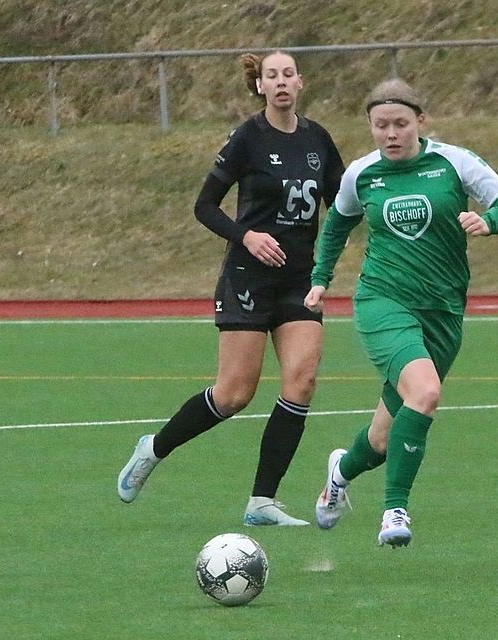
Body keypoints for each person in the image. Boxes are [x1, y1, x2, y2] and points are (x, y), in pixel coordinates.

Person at [118, 50, 345, 526]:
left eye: (287, 74)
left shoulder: (318, 139)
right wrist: (247, 235)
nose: (280, 82)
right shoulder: (247, 138)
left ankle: (262, 500)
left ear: (300, 82)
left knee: (301, 381)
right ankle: (154, 449)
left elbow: (343, 202)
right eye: (271, 75)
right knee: (234, 395)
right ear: (260, 85)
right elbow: (204, 205)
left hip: (299, 279)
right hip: (248, 278)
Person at [304, 79, 498, 547]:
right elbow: (337, 226)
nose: (391, 134)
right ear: (370, 126)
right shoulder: (361, 174)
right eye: (381, 125)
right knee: (425, 393)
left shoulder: (455, 161)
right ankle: (394, 512)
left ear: (420, 122)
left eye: (400, 124)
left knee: (384, 440)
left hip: (443, 311)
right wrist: (320, 279)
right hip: (383, 302)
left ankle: (340, 472)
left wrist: (489, 221)